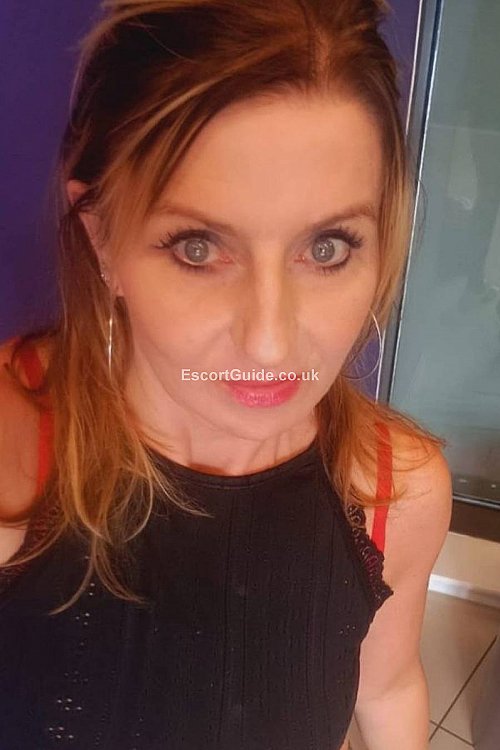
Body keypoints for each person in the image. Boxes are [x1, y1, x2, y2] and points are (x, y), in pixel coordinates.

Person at [0, 1, 453, 748]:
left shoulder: (393, 492)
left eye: (328, 248)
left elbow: (389, 685)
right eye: (199, 248)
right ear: (102, 238)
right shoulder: (15, 451)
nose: (270, 344)